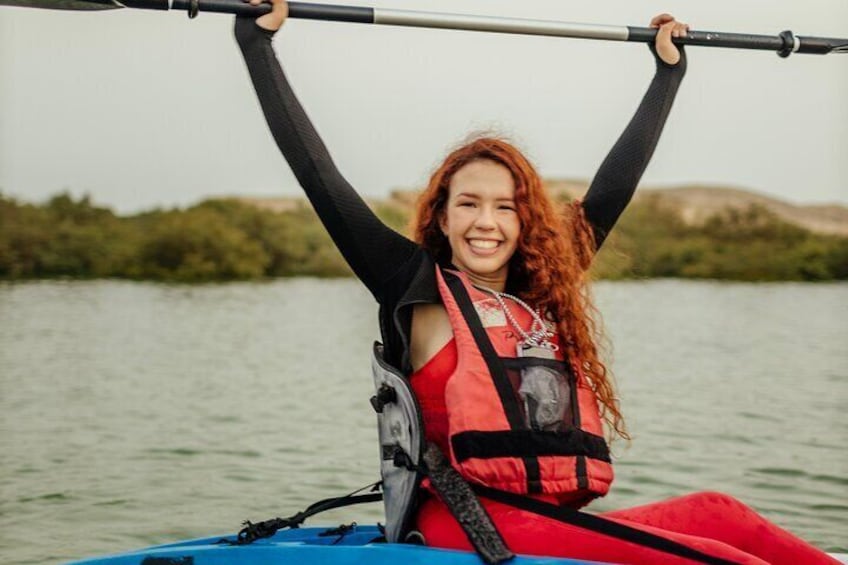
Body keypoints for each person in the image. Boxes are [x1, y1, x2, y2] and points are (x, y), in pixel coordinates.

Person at [234, 1, 840, 563]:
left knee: (719, 513)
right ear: (442, 218)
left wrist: (666, 76)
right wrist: (258, 48)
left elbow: (613, 188)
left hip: (537, 512)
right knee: (725, 562)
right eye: (468, 204)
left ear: (526, 221)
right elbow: (318, 174)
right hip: (462, 521)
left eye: (506, 207)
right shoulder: (410, 281)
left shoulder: (540, 286)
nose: (486, 223)